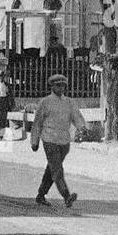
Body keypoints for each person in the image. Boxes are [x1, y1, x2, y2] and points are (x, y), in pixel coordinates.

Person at [30, 73, 87, 207]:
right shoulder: (45, 102)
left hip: (64, 141)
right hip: (49, 139)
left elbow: (76, 117)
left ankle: (41, 195)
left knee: (52, 168)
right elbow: (37, 123)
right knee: (57, 169)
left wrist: (82, 128)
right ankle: (66, 196)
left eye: (63, 86)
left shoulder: (69, 102)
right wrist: (34, 141)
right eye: (58, 86)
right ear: (52, 87)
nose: (61, 88)